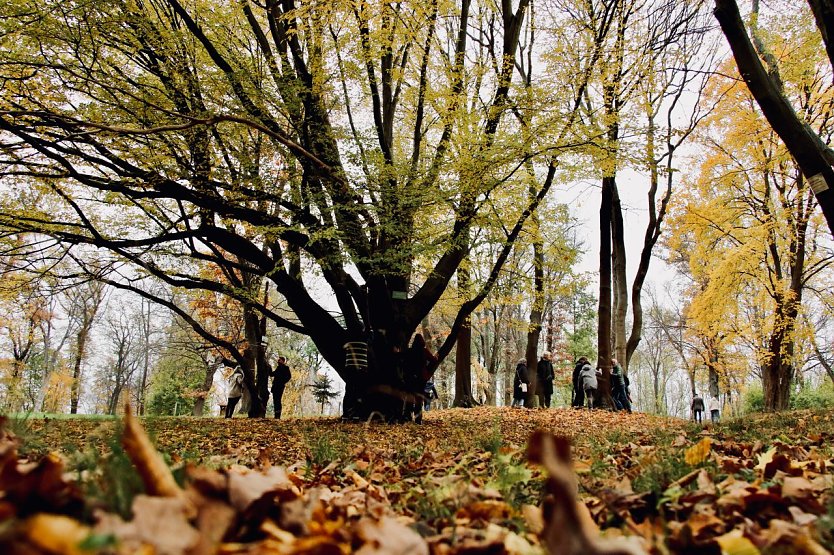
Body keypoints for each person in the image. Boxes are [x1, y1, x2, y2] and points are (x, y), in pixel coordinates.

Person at [404, 333, 438, 422]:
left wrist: (396, 352)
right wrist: (427, 368)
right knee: (419, 398)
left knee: (410, 397)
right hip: (421, 378)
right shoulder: (424, 351)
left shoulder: (409, 351)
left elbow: (401, 357)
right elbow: (434, 360)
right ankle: (418, 419)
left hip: (410, 377)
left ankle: (408, 417)